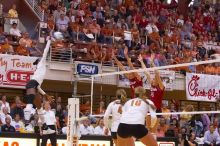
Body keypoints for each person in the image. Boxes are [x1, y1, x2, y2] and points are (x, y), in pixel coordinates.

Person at [23, 40, 53, 123]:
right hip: (32, 84)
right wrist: (49, 41)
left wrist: (45, 95)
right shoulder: (41, 64)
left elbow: (38, 87)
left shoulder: (39, 72)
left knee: (39, 107)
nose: (42, 59)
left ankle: (44, 125)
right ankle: (27, 122)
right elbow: (45, 51)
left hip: (34, 85)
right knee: (30, 101)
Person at [138, 54, 165, 134]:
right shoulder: (152, 84)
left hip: (157, 110)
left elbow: (157, 73)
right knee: (147, 129)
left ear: (158, 81)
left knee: (153, 130)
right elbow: (146, 72)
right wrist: (141, 61)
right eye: (152, 79)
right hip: (150, 108)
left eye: (154, 79)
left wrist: (152, 62)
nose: (152, 80)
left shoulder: (161, 87)